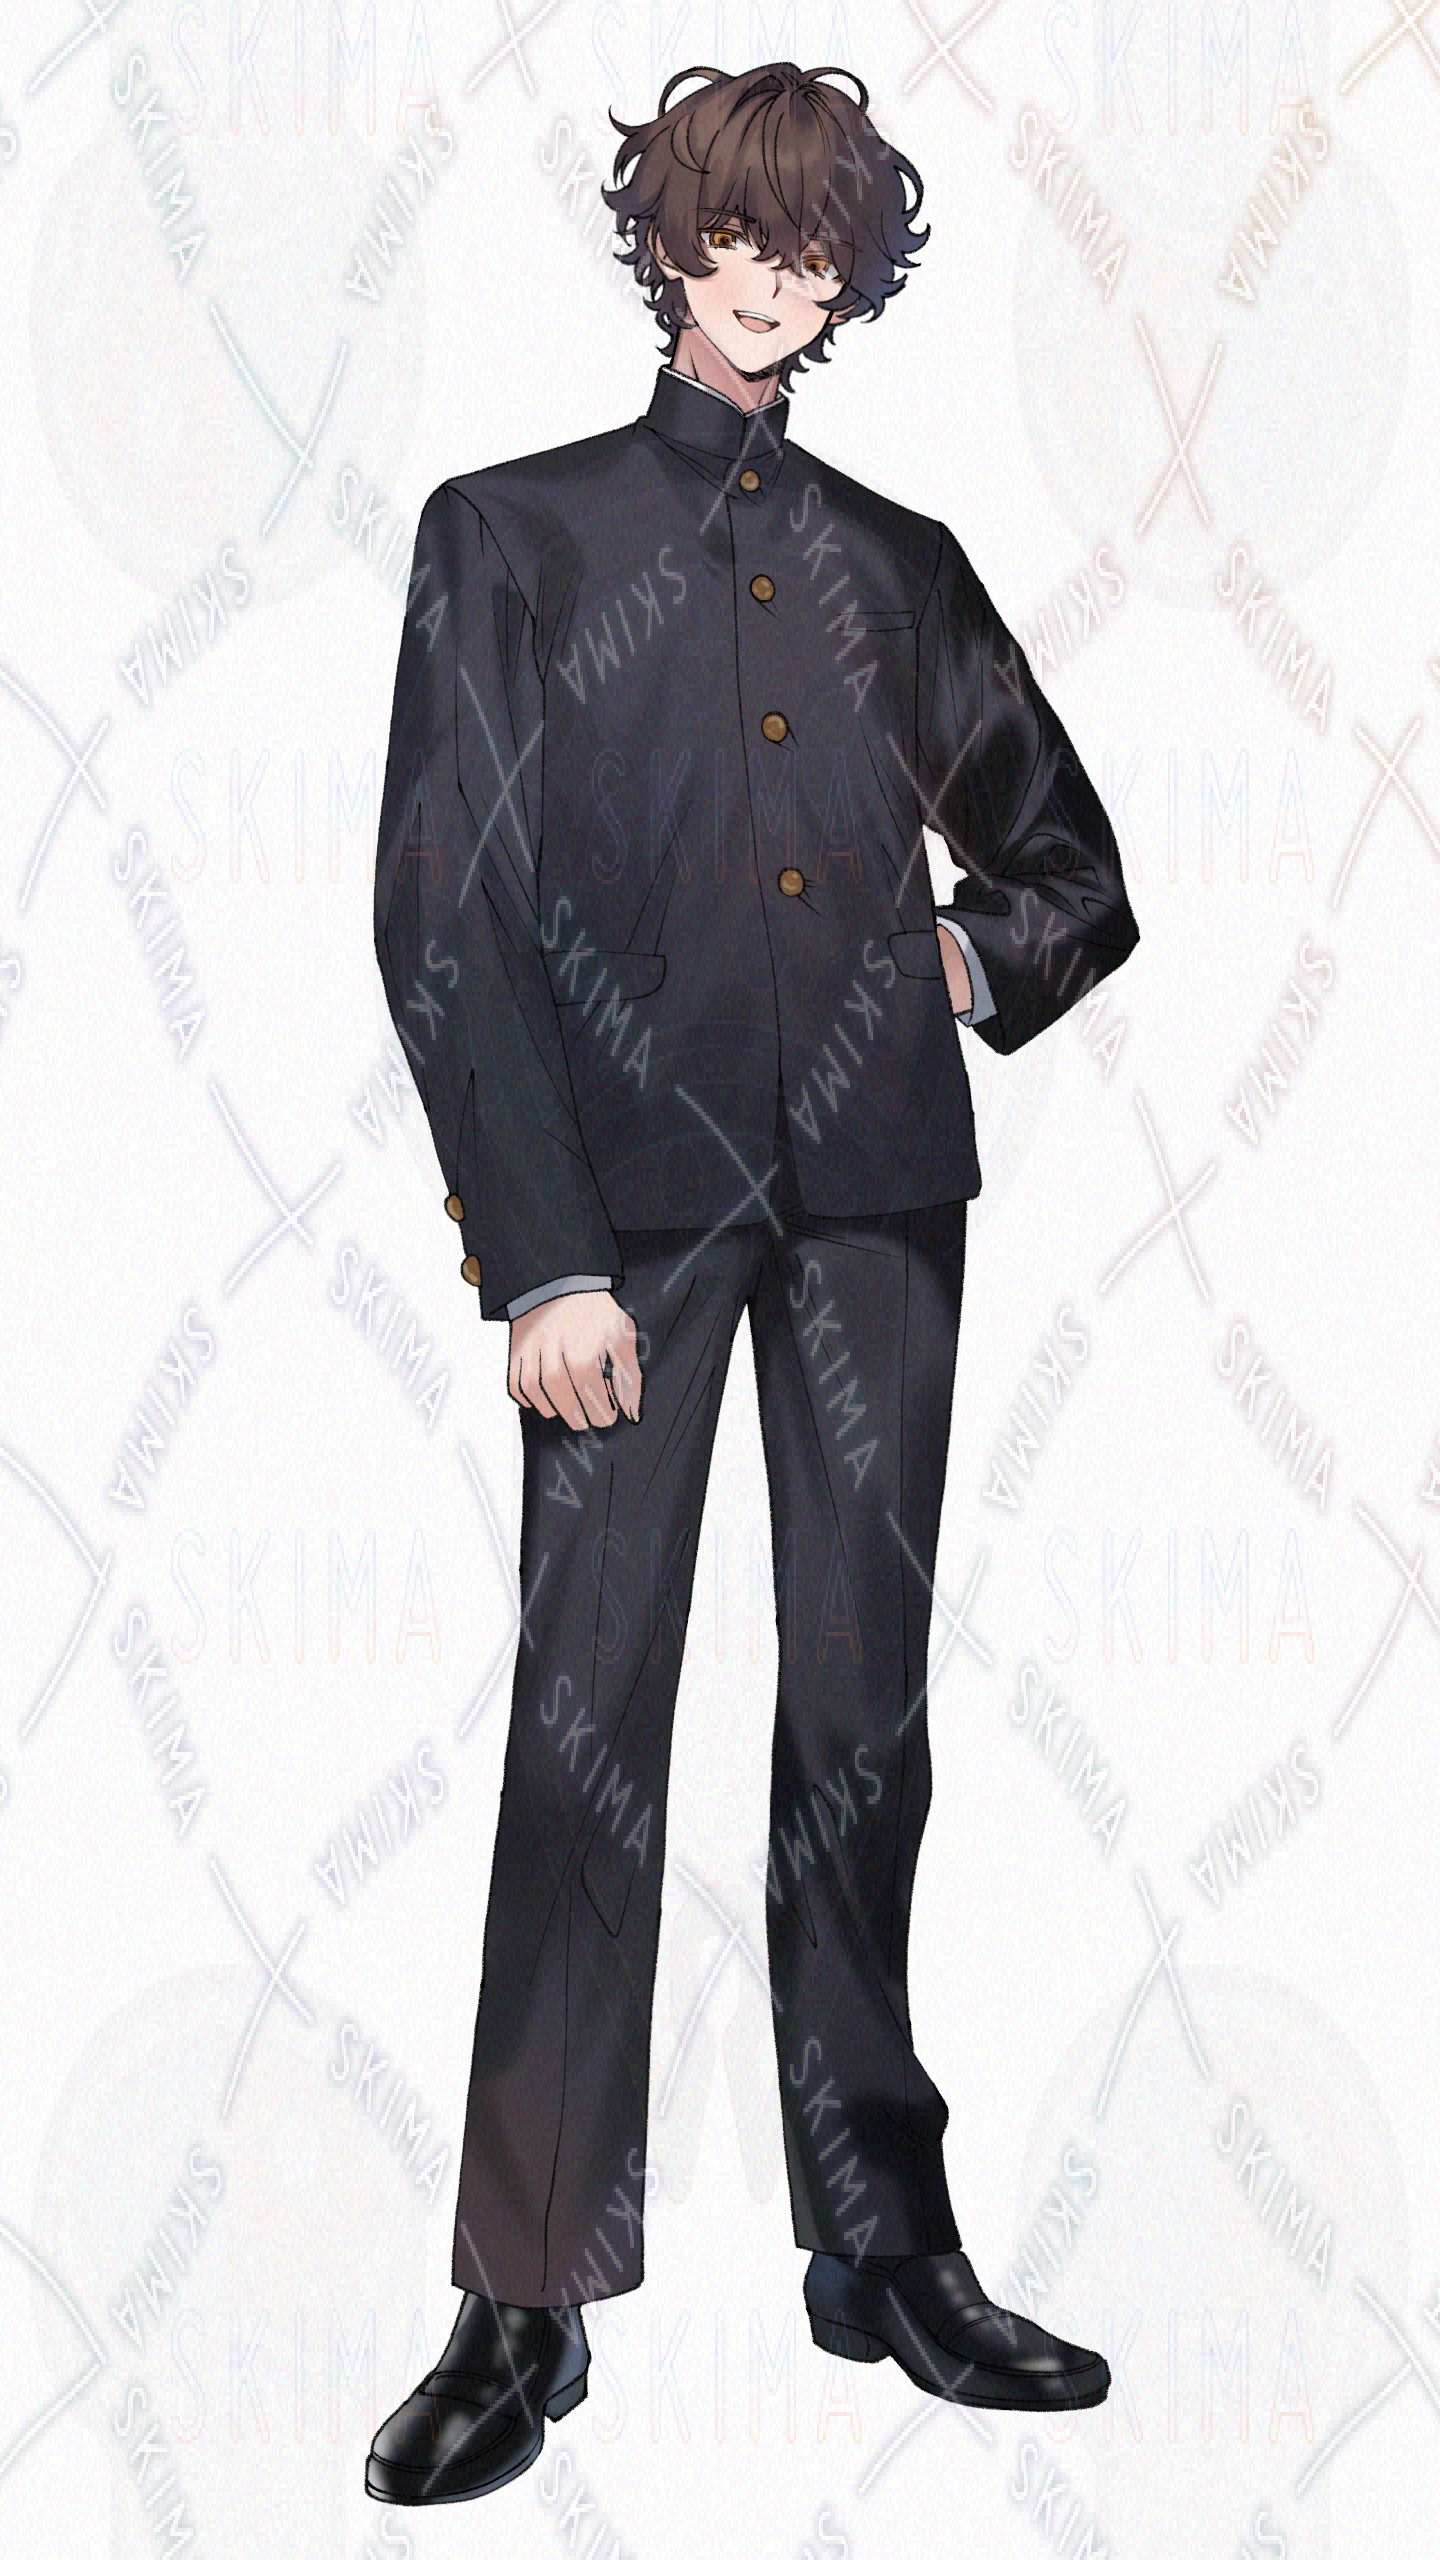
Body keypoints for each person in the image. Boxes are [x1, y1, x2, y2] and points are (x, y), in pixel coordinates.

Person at [365, 56, 1142, 2511]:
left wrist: (955, 963)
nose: (778, 276)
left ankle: (880, 2239)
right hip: (619, 1226)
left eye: (820, 242)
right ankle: (524, 2287)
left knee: (859, 1717)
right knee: (586, 1713)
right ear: (668, 242)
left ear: (854, 272)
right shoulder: (510, 535)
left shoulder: (906, 565)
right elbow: (447, 916)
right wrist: (537, 1258)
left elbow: (1072, 871)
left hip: (880, 1209)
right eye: (740, 230)